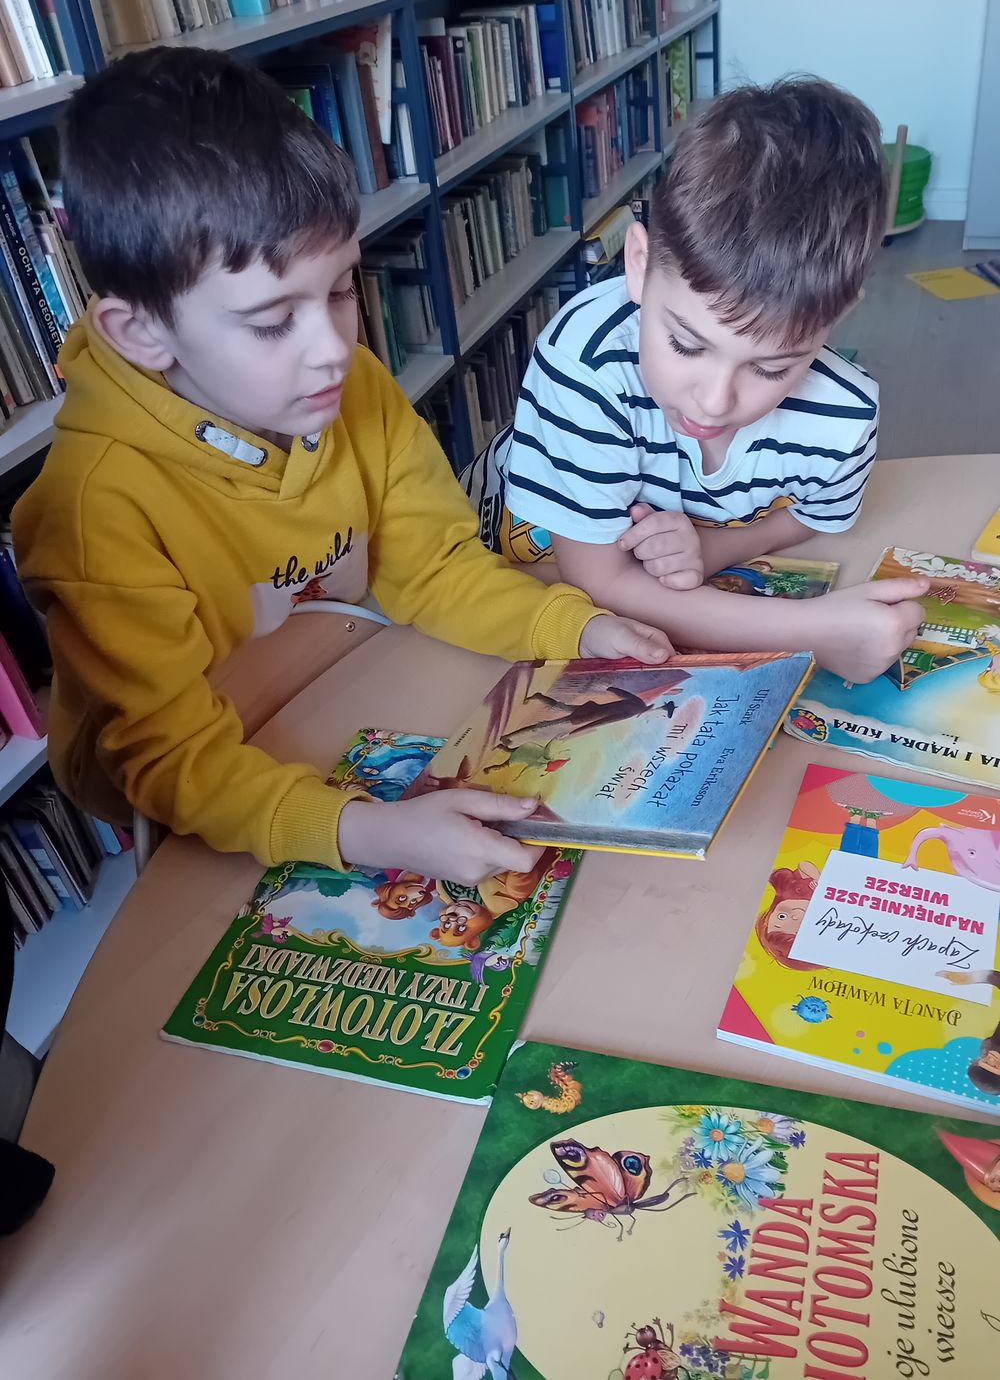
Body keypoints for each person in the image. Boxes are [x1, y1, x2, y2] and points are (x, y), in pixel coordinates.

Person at [12, 48, 671, 889]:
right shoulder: (95, 508)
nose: (334, 349)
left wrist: (572, 627)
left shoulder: (344, 385)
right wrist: (373, 832)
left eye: (339, 289)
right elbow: (172, 762)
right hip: (199, 793)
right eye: (270, 320)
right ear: (142, 333)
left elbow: (430, 568)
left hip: (324, 684)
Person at [463, 78, 927, 683]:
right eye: (686, 344)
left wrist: (714, 549)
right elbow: (595, 583)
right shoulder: (586, 358)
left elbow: (818, 515)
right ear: (638, 264)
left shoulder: (845, 415)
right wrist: (813, 632)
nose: (713, 401)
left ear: (837, 316)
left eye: (770, 367)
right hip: (494, 566)